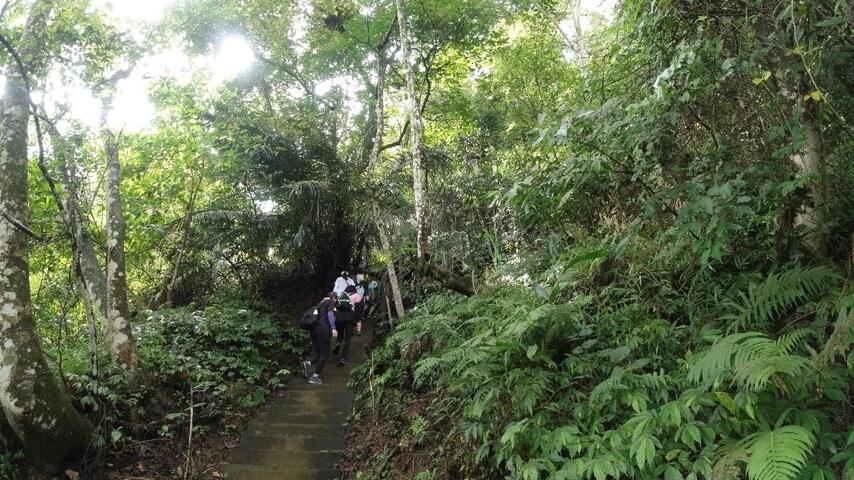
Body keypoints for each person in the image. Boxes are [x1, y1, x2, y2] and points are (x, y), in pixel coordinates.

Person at [302, 293, 336, 385]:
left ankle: (307, 363)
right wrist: (333, 328)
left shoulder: (319, 304)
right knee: (324, 354)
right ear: (333, 297)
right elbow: (330, 314)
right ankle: (315, 376)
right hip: (323, 330)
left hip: (314, 330)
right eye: (336, 298)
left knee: (318, 353)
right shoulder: (330, 302)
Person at [332, 292, 356, 365]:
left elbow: (334, 312)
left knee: (340, 334)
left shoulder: (337, 306)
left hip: (339, 320)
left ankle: (338, 343)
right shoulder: (350, 304)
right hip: (349, 320)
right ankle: (343, 358)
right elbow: (354, 310)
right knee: (347, 339)